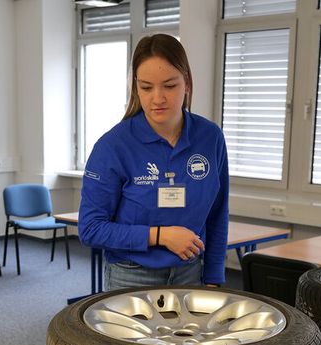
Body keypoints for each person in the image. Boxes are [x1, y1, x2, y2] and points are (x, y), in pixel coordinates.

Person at [78, 34, 229, 290]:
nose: (157, 98)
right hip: (131, 275)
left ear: (187, 84)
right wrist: (159, 236)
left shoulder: (210, 137)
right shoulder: (113, 146)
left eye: (169, 86)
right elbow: (91, 229)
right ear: (136, 87)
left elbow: (218, 214)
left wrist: (214, 277)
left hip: (191, 272)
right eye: (146, 87)